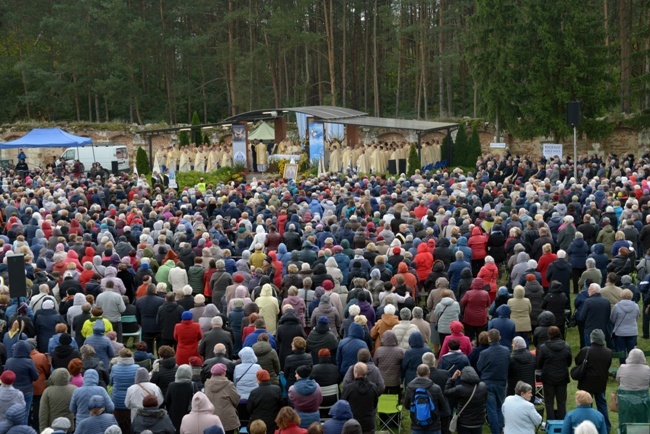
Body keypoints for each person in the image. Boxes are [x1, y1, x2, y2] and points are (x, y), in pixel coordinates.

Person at [476, 329, 510, 434]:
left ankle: (496, 431)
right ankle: (501, 429)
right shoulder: (506, 350)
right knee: (499, 407)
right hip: (501, 383)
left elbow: (479, 367)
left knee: (492, 409)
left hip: (488, 383)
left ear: (489, 339)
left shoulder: (484, 353)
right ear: (499, 338)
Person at [536, 325, 572, 420]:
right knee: (561, 402)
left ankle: (551, 421)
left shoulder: (543, 348)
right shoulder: (566, 346)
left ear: (549, 335)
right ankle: (562, 422)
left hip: (548, 378)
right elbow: (569, 362)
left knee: (549, 402)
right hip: (562, 377)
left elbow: (539, 363)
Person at [403, 364, 450, 434]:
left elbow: (406, 405)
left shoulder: (410, 387)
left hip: (416, 424)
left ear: (417, 373)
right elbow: (442, 405)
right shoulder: (436, 388)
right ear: (429, 373)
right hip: (434, 425)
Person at [443, 367, 487, 434]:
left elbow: (446, 392)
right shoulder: (483, 386)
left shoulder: (460, 389)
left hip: (464, 422)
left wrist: (452, 379)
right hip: (478, 421)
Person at [615, 348, 650, 428]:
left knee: (624, 420)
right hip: (642, 400)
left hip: (624, 400)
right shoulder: (647, 369)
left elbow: (618, 380)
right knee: (642, 421)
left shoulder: (622, 367)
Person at [341, 363, 378, 434]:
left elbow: (343, 405)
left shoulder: (348, 388)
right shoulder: (373, 387)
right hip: (369, 424)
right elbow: (375, 405)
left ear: (356, 373)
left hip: (353, 425)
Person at [205, 363, 240, 434]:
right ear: (224, 373)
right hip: (228, 420)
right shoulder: (228, 385)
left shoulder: (207, 384)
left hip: (211, 419)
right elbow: (236, 400)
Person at [247, 370, 283, 434]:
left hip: (258, 425)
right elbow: (281, 405)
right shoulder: (277, 389)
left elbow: (249, 409)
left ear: (258, 378)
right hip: (273, 423)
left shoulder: (254, 392)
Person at [610, 289, 639, 362]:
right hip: (632, 331)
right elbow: (637, 317)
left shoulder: (616, 306)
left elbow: (612, 319)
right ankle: (632, 366)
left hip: (620, 332)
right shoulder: (636, 306)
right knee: (632, 351)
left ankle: (623, 366)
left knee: (621, 351)